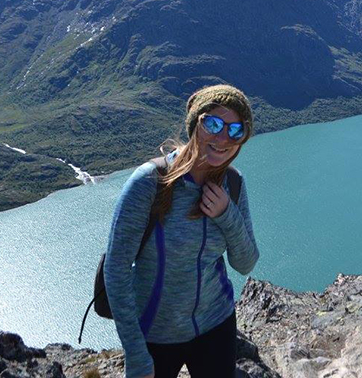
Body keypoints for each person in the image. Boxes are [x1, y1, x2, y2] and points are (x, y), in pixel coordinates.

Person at [104, 84, 259, 378]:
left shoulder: (233, 184)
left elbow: (245, 262)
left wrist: (227, 214)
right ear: (194, 123)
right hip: (155, 334)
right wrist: (136, 354)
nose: (223, 138)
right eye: (213, 123)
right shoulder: (150, 182)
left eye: (236, 131)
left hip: (217, 325)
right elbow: (117, 269)